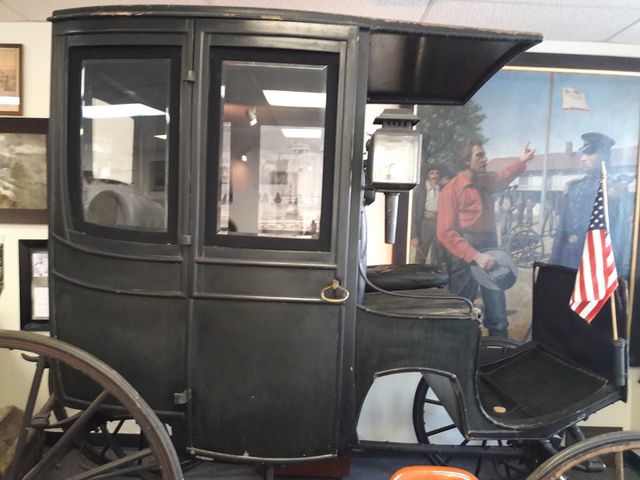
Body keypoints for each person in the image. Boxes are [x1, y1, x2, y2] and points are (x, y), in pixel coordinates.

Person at [437, 140, 535, 337]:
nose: (485, 159)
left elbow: (503, 176)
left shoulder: (486, 181)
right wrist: (475, 256)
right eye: (479, 155)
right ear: (465, 160)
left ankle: (500, 351)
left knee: (498, 317)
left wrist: (522, 160)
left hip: (490, 248)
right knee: (459, 313)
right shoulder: (451, 190)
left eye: (484, 154)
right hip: (465, 253)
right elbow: (445, 232)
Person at [550, 132, 615, 269]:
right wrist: (553, 264)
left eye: (589, 153)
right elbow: (561, 229)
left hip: (597, 263)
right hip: (568, 259)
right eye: (583, 153)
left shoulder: (613, 191)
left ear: (603, 156)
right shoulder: (574, 187)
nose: (583, 158)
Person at [411, 165, 445, 265]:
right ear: (428, 175)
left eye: (437, 173)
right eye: (432, 173)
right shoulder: (421, 190)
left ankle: (435, 272)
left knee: (438, 253)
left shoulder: (442, 189)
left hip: (438, 224)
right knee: (421, 253)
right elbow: (414, 212)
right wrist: (414, 235)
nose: (435, 176)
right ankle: (418, 272)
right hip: (424, 224)